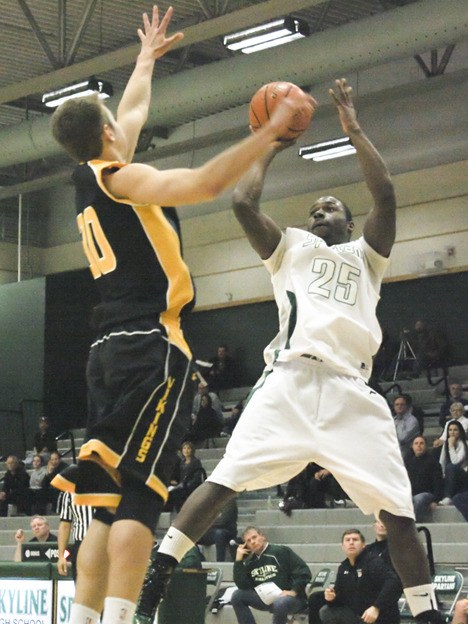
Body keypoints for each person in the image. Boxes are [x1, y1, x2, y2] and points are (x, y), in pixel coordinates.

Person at [137, 78, 443, 624]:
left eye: (330, 207)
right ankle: (157, 575)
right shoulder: (291, 251)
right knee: (224, 480)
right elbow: (241, 200)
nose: (319, 210)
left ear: (347, 224)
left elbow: (387, 194)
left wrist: (354, 131)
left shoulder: (366, 256)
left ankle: (426, 615)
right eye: (314, 207)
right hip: (291, 382)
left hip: (353, 391)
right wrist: (268, 144)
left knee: (397, 515)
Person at [50, 8, 307, 623]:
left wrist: (145, 60)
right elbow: (202, 183)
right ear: (107, 133)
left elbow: (131, 112)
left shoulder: (91, 177)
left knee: (103, 507)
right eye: (117, 122)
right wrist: (268, 133)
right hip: (150, 346)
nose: (125, 123)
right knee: (142, 498)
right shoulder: (123, 178)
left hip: (105, 353)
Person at [230, 526, 311, 624]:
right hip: (267, 598)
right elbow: (243, 586)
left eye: (254, 537)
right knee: (237, 596)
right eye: (248, 541)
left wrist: (294, 591)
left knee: (280, 602)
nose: (252, 542)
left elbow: (304, 572)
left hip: (293, 598)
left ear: (263, 536)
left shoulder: (280, 551)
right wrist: (238, 560)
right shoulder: (249, 562)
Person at [318, 529, 401, 624]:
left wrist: (376, 607)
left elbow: (394, 582)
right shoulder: (343, 567)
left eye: (355, 539)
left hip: (379, 616)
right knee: (326, 610)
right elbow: (341, 599)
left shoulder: (373, 562)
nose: (351, 543)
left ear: (363, 545)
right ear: (342, 546)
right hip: (358, 616)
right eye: (347, 540)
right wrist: (331, 598)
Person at [135, 542, 205, 624]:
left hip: (181, 592)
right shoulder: (153, 552)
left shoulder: (188, 548)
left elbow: (191, 563)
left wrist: (166, 569)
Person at [55, 489, 94, 581]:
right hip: (81, 545)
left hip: (107, 544)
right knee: (82, 587)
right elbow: (65, 525)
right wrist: (61, 556)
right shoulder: (69, 493)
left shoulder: (111, 485)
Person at [279, 463, 348, 515]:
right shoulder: (304, 470)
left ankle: (338, 499)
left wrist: (328, 470)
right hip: (311, 489)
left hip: (331, 478)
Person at [404, 436, 444, 522]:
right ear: (412, 446)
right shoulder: (408, 463)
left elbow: (438, 484)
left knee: (419, 499)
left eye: (421, 443)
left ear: (426, 446)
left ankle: (416, 524)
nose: (419, 445)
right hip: (410, 495)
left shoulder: (433, 462)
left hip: (427, 494)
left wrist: (435, 500)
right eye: (416, 443)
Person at [166, 441, 206, 513]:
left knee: (177, 493)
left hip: (191, 486)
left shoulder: (196, 462)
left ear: (192, 450)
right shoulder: (181, 462)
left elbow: (197, 478)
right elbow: (179, 475)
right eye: (184, 448)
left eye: (188, 448)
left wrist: (185, 485)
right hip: (182, 485)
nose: (186, 450)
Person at [197, 497, 238, 561]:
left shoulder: (229, 501)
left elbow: (222, 521)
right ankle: (199, 559)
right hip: (211, 531)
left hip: (227, 532)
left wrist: (208, 520)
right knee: (192, 535)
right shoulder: (209, 501)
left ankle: (220, 562)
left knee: (219, 533)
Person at [438, 421, 468, 505]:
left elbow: (455, 461)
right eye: (450, 430)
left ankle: (448, 497)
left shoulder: (464, 443)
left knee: (451, 467)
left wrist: (451, 445)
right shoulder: (446, 443)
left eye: (455, 430)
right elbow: (442, 461)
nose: (452, 432)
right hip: (451, 475)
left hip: (464, 475)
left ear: (460, 431)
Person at [392, 395, 421, 460]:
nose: (399, 406)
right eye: (397, 404)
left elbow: (402, 438)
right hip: (393, 452)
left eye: (402, 404)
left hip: (408, 454)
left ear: (407, 406)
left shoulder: (412, 421)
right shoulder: (393, 420)